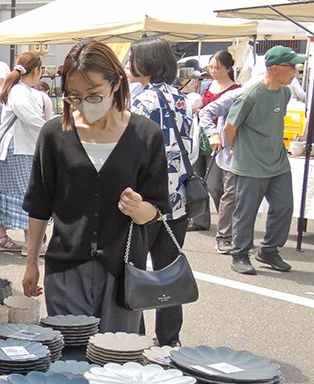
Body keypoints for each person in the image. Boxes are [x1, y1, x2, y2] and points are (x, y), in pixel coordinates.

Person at [22, 40, 170, 334]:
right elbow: (39, 203)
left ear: (115, 84)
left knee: (117, 362)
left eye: (94, 95)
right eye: (74, 96)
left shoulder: (145, 134)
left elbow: (157, 208)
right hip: (66, 264)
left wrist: (139, 209)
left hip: (124, 268)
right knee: (70, 360)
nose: (84, 103)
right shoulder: (54, 133)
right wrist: (31, 264)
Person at [127, 37, 193, 347]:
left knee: (136, 272)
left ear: (144, 64)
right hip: (177, 201)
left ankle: (136, 339)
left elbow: (132, 151)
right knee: (169, 272)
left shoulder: (141, 101)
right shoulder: (182, 98)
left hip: (146, 201)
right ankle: (169, 341)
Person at [225, 45, 302, 275]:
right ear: (277, 69)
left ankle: (268, 250)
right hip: (250, 164)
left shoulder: (284, 93)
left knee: (284, 207)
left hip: (278, 162)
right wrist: (238, 151)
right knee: (246, 212)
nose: (296, 73)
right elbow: (230, 128)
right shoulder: (250, 95)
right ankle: (239, 254)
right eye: (293, 67)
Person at [0, 52, 47, 254]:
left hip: (14, 148)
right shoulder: (20, 92)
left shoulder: (17, 90)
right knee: (26, 193)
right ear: (37, 70)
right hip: (20, 148)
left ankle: (2, 237)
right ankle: (30, 242)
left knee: (8, 193)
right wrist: (54, 129)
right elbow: (31, 119)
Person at [197, 50, 241, 252]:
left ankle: (226, 225)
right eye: (211, 67)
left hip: (222, 141)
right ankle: (200, 218)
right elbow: (203, 108)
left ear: (228, 69)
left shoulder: (236, 90)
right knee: (199, 179)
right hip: (204, 136)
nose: (213, 71)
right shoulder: (206, 85)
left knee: (217, 186)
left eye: (217, 67)